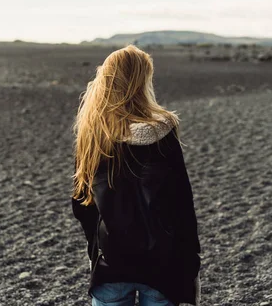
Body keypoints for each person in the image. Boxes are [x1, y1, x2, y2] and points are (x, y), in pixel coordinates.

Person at [71, 45, 201, 306]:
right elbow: (181, 204)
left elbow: (82, 202)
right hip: (162, 264)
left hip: (112, 261)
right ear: (142, 82)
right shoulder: (163, 129)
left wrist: (94, 254)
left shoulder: (95, 132)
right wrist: (191, 266)